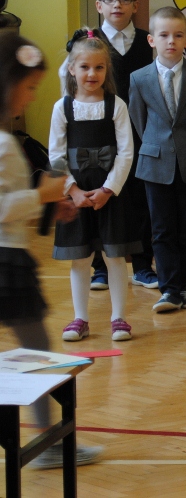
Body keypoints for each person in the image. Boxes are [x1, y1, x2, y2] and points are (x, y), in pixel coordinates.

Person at [0, 32, 103, 468]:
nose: (31, 97)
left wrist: (46, 207)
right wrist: (42, 196)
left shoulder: (7, 140)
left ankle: (48, 440)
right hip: (5, 262)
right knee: (37, 350)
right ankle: (48, 442)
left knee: (37, 347)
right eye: (28, 88)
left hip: (12, 256)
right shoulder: (2, 143)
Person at [59, 0, 157, 291]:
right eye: (110, 0)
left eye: (124, 0)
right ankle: (99, 267)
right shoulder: (87, 43)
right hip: (97, 134)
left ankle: (142, 266)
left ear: (135, 5)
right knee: (99, 199)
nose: (118, 5)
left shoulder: (148, 41)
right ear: (99, 5)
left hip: (139, 132)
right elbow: (68, 85)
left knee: (139, 201)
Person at [128, 7, 186, 313]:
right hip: (155, 164)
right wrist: (158, 146)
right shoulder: (139, 78)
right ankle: (168, 289)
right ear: (152, 39)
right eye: (164, 35)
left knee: (185, 230)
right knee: (161, 229)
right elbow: (139, 122)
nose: (171, 41)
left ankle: (184, 287)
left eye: (178, 35)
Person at [49, 30, 137, 341]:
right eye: (84, 67)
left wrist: (108, 189)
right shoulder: (62, 107)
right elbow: (56, 155)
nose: (91, 74)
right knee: (81, 258)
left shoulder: (117, 105)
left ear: (106, 70)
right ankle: (80, 318)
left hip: (109, 193)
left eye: (99, 67)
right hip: (77, 194)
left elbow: (126, 152)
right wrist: (72, 191)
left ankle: (119, 318)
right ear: (71, 69)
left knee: (114, 257)